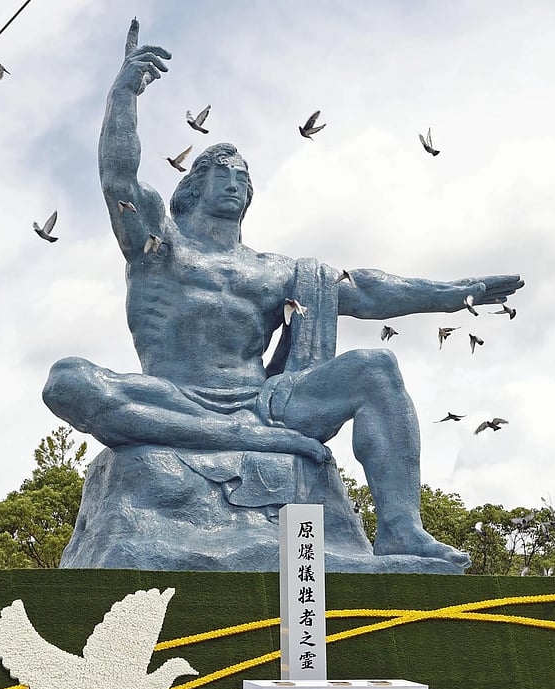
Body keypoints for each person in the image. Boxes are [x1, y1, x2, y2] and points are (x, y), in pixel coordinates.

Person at [44, 20, 523, 568]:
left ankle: (402, 531)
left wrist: (456, 293)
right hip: (173, 394)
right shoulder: (161, 246)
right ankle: (224, 434)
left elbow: (364, 291)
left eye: (243, 177)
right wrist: (124, 93)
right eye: (221, 173)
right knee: (67, 379)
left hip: (266, 404)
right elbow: (119, 182)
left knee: (375, 368)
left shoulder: (275, 272)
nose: (235, 182)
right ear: (192, 187)